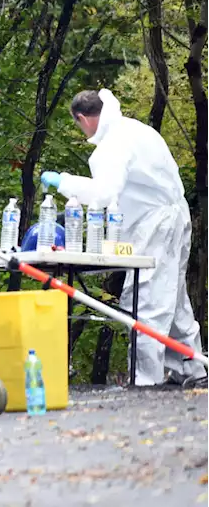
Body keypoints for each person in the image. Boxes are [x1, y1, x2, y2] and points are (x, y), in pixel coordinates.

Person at [41, 88, 206, 387]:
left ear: (82, 119)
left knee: (145, 299)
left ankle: (145, 380)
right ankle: (192, 369)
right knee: (173, 296)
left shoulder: (113, 145)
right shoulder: (135, 129)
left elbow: (104, 194)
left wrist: (64, 182)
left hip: (157, 224)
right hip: (172, 217)